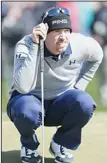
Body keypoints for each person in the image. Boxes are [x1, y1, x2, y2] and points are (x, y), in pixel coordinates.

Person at [6, 6, 103, 163]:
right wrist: (36, 46)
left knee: (84, 102)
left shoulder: (82, 43)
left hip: (61, 102)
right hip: (28, 100)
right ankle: (29, 146)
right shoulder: (26, 44)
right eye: (57, 31)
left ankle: (60, 143)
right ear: (44, 33)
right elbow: (23, 87)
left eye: (66, 31)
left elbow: (97, 55)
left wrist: (79, 86)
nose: (63, 37)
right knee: (26, 110)